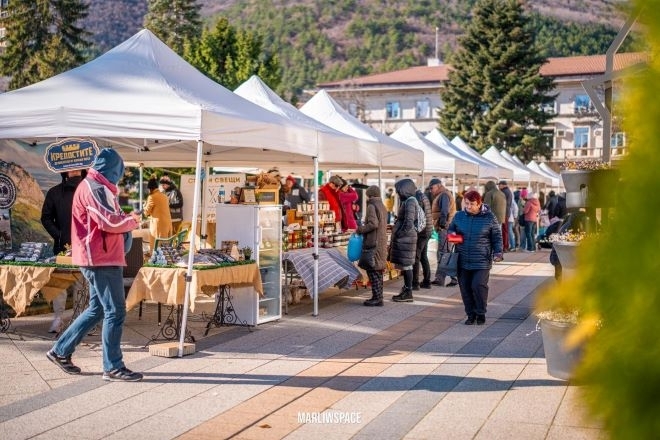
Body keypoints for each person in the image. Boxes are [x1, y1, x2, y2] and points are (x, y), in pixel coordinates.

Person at [46, 148, 143, 382]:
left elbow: (107, 218)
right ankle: (113, 366)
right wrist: (132, 221)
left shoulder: (98, 186)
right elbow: (108, 221)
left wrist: (126, 220)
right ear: (114, 169)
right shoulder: (95, 187)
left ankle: (60, 351)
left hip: (100, 256)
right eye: (119, 171)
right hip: (100, 258)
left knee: (98, 309)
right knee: (115, 311)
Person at [448, 190, 503, 325]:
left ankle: (480, 312)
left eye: (472, 204)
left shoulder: (489, 217)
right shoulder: (459, 216)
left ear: (479, 204)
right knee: (465, 288)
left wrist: (498, 253)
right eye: (466, 204)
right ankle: (470, 314)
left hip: (481, 260)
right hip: (463, 259)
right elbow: (450, 230)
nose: (469, 207)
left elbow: (497, 236)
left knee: (478, 285)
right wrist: (454, 237)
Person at [40, 169, 86, 333]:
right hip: (65, 247)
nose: (74, 170)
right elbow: (45, 217)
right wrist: (59, 235)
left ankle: (78, 320)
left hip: (83, 247)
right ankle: (60, 320)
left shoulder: (89, 190)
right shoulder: (55, 192)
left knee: (80, 285)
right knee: (61, 285)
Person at [355, 185, 389, 306]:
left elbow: (373, 224)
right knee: (378, 271)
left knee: (372, 270)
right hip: (381, 241)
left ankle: (376, 298)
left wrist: (360, 229)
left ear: (370, 195)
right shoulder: (382, 206)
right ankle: (379, 297)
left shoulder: (371, 205)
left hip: (373, 242)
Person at [389, 178, 418, 303]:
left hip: (406, 239)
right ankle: (407, 290)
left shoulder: (410, 202)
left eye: (398, 190)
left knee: (407, 266)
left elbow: (409, 222)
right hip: (407, 238)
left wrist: (400, 233)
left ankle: (408, 292)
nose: (397, 193)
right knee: (406, 266)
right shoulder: (408, 201)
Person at [428, 178, 458, 287]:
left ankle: (444, 278)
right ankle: (444, 278)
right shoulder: (443, 194)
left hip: (445, 228)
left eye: (432, 187)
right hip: (448, 227)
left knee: (444, 253)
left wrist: (441, 224)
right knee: (446, 252)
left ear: (439, 185)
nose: (431, 190)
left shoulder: (444, 195)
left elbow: (444, 211)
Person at [412, 185, 433, 290]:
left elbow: (417, 217)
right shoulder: (423, 195)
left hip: (422, 232)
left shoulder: (417, 197)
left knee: (416, 256)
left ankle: (415, 283)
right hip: (427, 230)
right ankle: (427, 281)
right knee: (423, 256)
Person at [144, 176, 173, 250]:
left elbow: (146, 212)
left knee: (156, 247)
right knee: (165, 246)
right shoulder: (164, 196)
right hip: (167, 223)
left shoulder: (152, 197)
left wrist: (144, 206)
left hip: (158, 225)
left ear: (150, 188)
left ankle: (155, 260)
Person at [483, 180, 507, 252]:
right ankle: (499, 250)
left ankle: (492, 251)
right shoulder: (502, 193)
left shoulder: (489, 194)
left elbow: (486, 207)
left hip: (491, 218)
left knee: (491, 236)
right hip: (501, 218)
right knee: (498, 235)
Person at [497, 180, 514, 251]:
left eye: (499, 185)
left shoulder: (504, 192)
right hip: (506, 212)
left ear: (503, 185)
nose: (498, 186)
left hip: (504, 213)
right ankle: (506, 245)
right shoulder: (508, 191)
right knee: (505, 230)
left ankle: (505, 246)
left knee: (504, 230)